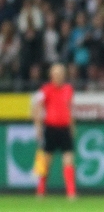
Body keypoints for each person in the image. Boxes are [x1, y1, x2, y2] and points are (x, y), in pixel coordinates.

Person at [32, 63, 77, 199]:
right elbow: (37, 108)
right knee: (45, 160)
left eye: (61, 74)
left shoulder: (68, 89)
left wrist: (72, 127)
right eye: (56, 74)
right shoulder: (45, 90)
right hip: (50, 127)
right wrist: (38, 127)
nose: (58, 76)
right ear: (51, 75)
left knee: (68, 159)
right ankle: (41, 190)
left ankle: (71, 192)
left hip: (64, 128)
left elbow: (70, 109)